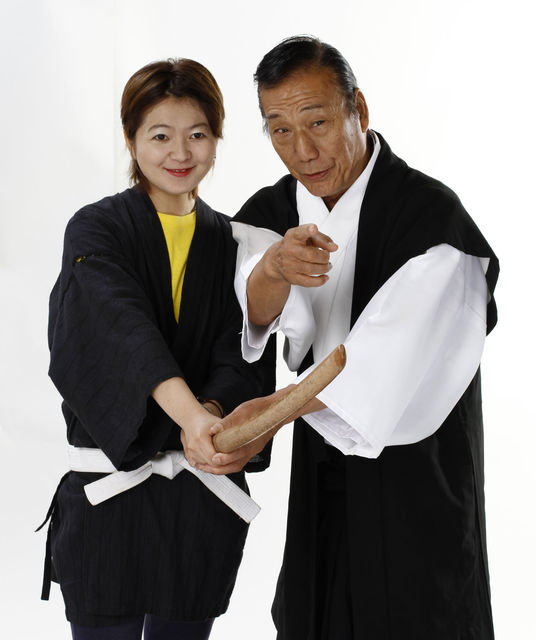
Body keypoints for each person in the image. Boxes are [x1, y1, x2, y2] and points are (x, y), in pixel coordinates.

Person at [212, 36, 499, 639]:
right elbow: (244, 307)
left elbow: (383, 358)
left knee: (419, 614)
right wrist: (274, 270)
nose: (303, 150)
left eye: (316, 121)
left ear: (358, 110)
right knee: (316, 610)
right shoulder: (273, 208)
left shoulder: (432, 219)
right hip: (319, 464)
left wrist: (269, 415)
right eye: (280, 130)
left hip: (417, 468)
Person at [39, 58, 273, 640]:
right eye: (161, 135)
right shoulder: (96, 229)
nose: (181, 152)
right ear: (131, 139)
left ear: (217, 138)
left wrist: (212, 418)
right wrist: (190, 417)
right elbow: (118, 329)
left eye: (198, 134)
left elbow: (241, 347)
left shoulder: (234, 242)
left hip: (200, 494)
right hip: (109, 496)